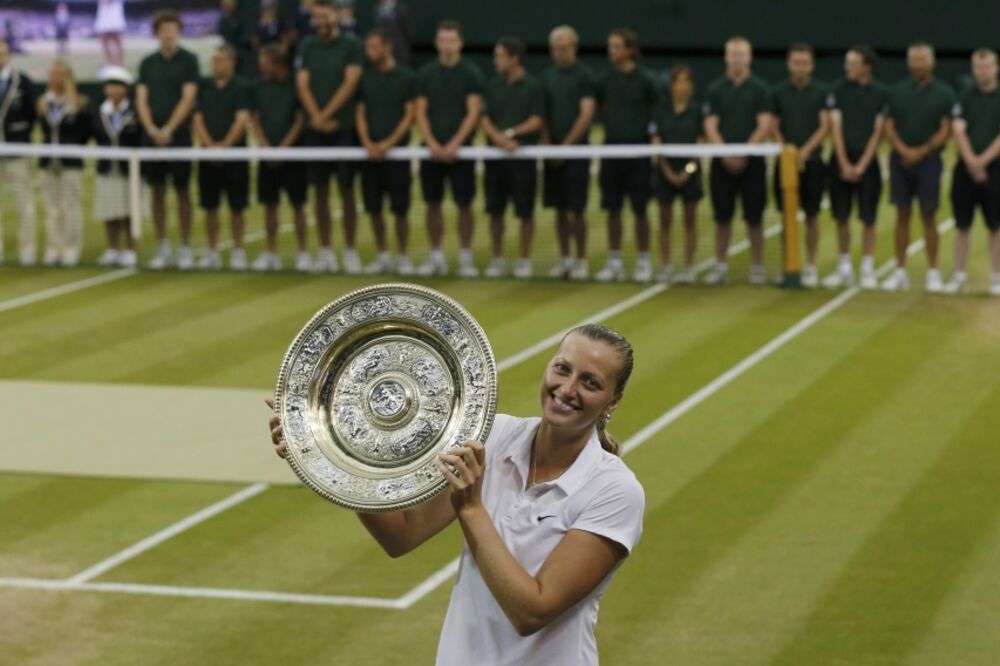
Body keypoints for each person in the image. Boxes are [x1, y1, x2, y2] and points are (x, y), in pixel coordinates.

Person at [266, 323, 644, 666]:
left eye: (590, 383)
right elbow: (402, 535)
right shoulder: (491, 435)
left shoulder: (615, 491)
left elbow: (532, 611)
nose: (567, 389)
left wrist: (472, 508)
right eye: (562, 369)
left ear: (612, 402)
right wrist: (332, 459)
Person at [295, 0, 363, 273]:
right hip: (316, 131)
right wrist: (317, 118)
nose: (321, 21)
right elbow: (302, 84)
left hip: (343, 128)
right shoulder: (307, 45)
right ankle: (324, 251)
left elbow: (351, 82)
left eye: (325, 16)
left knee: (347, 189)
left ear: (335, 17)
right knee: (319, 191)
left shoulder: (352, 45)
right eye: (317, 17)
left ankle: (349, 251)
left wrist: (326, 115)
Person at [882, 42, 955, 292]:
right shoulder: (896, 92)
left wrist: (922, 152)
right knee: (902, 214)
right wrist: (904, 151)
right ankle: (899, 271)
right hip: (900, 161)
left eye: (923, 59)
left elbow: (946, 130)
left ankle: (933, 272)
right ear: (908, 62)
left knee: (929, 215)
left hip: (930, 162)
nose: (919, 64)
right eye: (914, 59)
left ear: (932, 62)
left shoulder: (944, 93)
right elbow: (889, 126)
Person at [414, 20, 485, 277]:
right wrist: (432, 143)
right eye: (443, 40)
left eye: (451, 40)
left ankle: (465, 258)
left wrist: (455, 144)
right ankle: (436, 257)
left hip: (461, 151)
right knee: (432, 204)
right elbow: (420, 111)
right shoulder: (425, 73)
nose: (447, 45)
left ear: (460, 43)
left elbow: (473, 112)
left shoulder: (471, 73)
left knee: (464, 204)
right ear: (436, 43)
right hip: (431, 150)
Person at [703, 36, 773, 286]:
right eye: (733, 55)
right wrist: (726, 154)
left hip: (752, 163)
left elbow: (764, 125)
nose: (736, 60)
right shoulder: (715, 89)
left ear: (749, 58)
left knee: (755, 217)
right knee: (722, 217)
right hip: (722, 164)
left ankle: (757, 268)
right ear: (726, 58)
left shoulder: (761, 88)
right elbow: (710, 125)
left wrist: (744, 153)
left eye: (741, 55)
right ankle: (720, 266)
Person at [594, 29, 660, 283]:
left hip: (639, 152)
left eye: (617, 46)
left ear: (630, 49)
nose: (612, 51)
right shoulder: (604, 80)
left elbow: (656, 109)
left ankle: (643, 260)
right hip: (612, 150)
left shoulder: (646, 80)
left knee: (640, 208)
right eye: (610, 46)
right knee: (613, 208)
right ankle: (614, 261)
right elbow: (600, 108)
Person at [136, 9, 200, 270]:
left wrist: (170, 129)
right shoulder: (147, 63)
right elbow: (141, 99)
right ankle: (162, 246)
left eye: (172, 29)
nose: (168, 34)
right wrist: (152, 130)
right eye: (164, 29)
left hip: (179, 136)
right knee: (157, 191)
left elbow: (188, 97)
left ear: (179, 31)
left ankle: (185, 246)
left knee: (183, 190)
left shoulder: (189, 60)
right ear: (157, 33)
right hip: (152, 138)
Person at [823, 45, 888, 290]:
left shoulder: (881, 93)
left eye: (852, 63)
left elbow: (878, 132)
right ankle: (844, 268)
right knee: (841, 216)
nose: (847, 67)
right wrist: (843, 162)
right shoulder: (837, 90)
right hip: (840, 160)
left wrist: (861, 165)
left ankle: (867, 269)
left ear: (866, 66)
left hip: (867, 163)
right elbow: (835, 128)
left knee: (869, 217)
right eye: (847, 62)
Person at [480, 37, 545, 279]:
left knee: (525, 212)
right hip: (495, 158)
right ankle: (497, 259)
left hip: (523, 158)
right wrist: (498, 138)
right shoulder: (492, 84)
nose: (496, 61)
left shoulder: (534, 86)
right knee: (495, 211)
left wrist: (510, 134)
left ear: (514, 58)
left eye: (500, 56)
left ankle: (524, 260)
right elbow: (484, 117)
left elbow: (537, 120)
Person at [356, 29, 417, 275]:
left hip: (397, 155)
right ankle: (382, 255)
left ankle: (403, 256)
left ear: (387, 47)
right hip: (370, 155)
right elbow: (360, 113)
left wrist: (388, 144)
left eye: (374, 47)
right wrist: (368, 143)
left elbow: (410, 115)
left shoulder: (407, 77)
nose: (370, 52)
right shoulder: (365, 78)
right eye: (367, 47)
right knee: (374, 208)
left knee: (400, 209)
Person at [771, 43, 830, 288]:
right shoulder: (778, 92)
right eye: (796, 63)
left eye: (804, 63)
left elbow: (825, 126)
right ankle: (789, 264)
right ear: (789, 65)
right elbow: (773, 125)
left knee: (812, 215)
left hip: (813, 163)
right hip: (785, 163)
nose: (800, 68)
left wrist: (803, 153)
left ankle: (811, 265)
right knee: (786, 215)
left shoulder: (822, 91)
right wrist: (787, 152)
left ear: (812, 65)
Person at [541, 25, 595, 281]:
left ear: (574, 48)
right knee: (560, 209)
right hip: (553, 152)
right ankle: (565, 259)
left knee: (577, 209)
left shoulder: (585, 76)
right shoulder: (547, 77)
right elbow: (542, 114)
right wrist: (548, 146)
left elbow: (586, 115)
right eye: (555, 49)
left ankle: (581, 260)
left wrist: (566, 147)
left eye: (564, 48)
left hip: (576, 151)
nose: (559, 53)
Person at [192, 44, 252, 271]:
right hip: (208, 156)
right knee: (210, 206)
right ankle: (212, 250)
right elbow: (197, 119)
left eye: (221, 60)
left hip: (235, 156)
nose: (216, 64)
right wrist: (210, 146)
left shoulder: (241, 86)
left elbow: (242, 119)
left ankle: (238, 251)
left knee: (237, 206)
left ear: (231, 63)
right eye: (214, 60)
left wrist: (225, 146)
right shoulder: (204, 86)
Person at [251, 43, 309, 273]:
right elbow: (255, 119)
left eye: (264, 63)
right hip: (268, 156)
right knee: (269, 205)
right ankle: (271, 252)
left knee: (298, 205)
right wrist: (266, 146)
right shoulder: (259, 86)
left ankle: (303, 253)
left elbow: (299, 119)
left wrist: (284, 147)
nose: (261, 67)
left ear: (276, 64)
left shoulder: (295, 85)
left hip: (293, 156)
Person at [947, 48, 1000, 296]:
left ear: (996, 68)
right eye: (979, 67)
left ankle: (997, 277)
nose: (983, 71)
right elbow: (958, 129)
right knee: (962, 225)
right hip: (965, 168)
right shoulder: (964, 95)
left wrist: (983, 161)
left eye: (987, 66)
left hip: (996, 168)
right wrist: (971, 161)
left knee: (996, 225)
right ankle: (959, 276)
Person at [651, 64, 703, 284]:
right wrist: (669, 172)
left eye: (685, 82)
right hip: (665, 172)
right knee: (664, 219)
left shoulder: (698, 111)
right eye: (677, 82)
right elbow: (656, 144)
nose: (682, 86)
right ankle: (665, 265)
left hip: (690, 173)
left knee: (690, 219)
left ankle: (689, 267)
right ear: (671, 86)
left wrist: (686, 172)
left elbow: (700, 145)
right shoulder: (660, 110)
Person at [37, 59, 90, 268]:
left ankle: (71, 248)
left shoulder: (79, 104)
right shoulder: (43, 102)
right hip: (48, 162)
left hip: (71, 163)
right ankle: (53, 248)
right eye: (52, 74)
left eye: (60, 74)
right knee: (52, 208)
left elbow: (85, 132)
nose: (55, 78)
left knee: (70, 207)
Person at [91, 65, 142, 268]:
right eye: (109, 85)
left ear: (125, 89)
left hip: (130, 170)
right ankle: (112, 248)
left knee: (130, 211)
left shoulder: (135, 112)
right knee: (110, 211)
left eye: (116, 85)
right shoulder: (99, 112)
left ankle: (130, 249)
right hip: (106, 169)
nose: (112, 89)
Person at [0, 37, 39, 266]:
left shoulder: (22, 82)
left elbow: (32, 114)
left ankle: (28, 251)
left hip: (17, 151)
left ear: (9, 54)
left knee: (24, 203)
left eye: (2, 52)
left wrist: (20, 138)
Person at [218, 0, 253, 79]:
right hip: (226, 53)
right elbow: (219, 38)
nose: (227, 6)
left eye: (229, 3)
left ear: (235, 4)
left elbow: (246, 37)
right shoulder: (222, 20)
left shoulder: (242, 18)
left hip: (240, 55)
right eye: (225, 4)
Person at [374, 0, 412, 66]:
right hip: (382, 50)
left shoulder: (402, 10)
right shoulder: (377, 10)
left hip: (400, 51)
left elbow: (408, 31)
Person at [94, 0, 125, 67]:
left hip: (116, 18)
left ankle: (119, 63)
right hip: (104, 18)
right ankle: (109, 62)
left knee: (118, 43)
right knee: (104, 43)